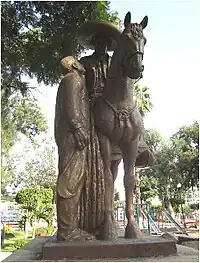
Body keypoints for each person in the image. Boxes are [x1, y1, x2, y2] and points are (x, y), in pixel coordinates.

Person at [54, 56, 94, 241]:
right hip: (72, 136)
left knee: (74, 181)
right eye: (78, 61)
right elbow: (71, 106)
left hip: (70, 135)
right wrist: (78, 128)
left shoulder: (72, 81)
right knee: (70, 182)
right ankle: (67, 231)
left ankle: (70, 228)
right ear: (74, 65)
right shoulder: (73, 80)